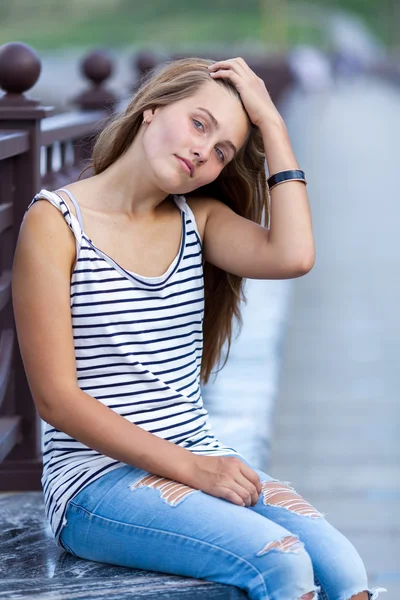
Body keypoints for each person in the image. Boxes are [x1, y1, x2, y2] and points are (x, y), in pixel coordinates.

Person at [12, 57, 385, 600]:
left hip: (198, 457)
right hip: (94, 486)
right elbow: (57, 401)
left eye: (221, 153)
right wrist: (194, 469)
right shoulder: (56, 222)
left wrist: (272, 124)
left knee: (344, 573)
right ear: (151, 109)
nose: (202, 154)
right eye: (199, 124)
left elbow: (295, 254)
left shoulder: (199, 219)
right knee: (281, 568)